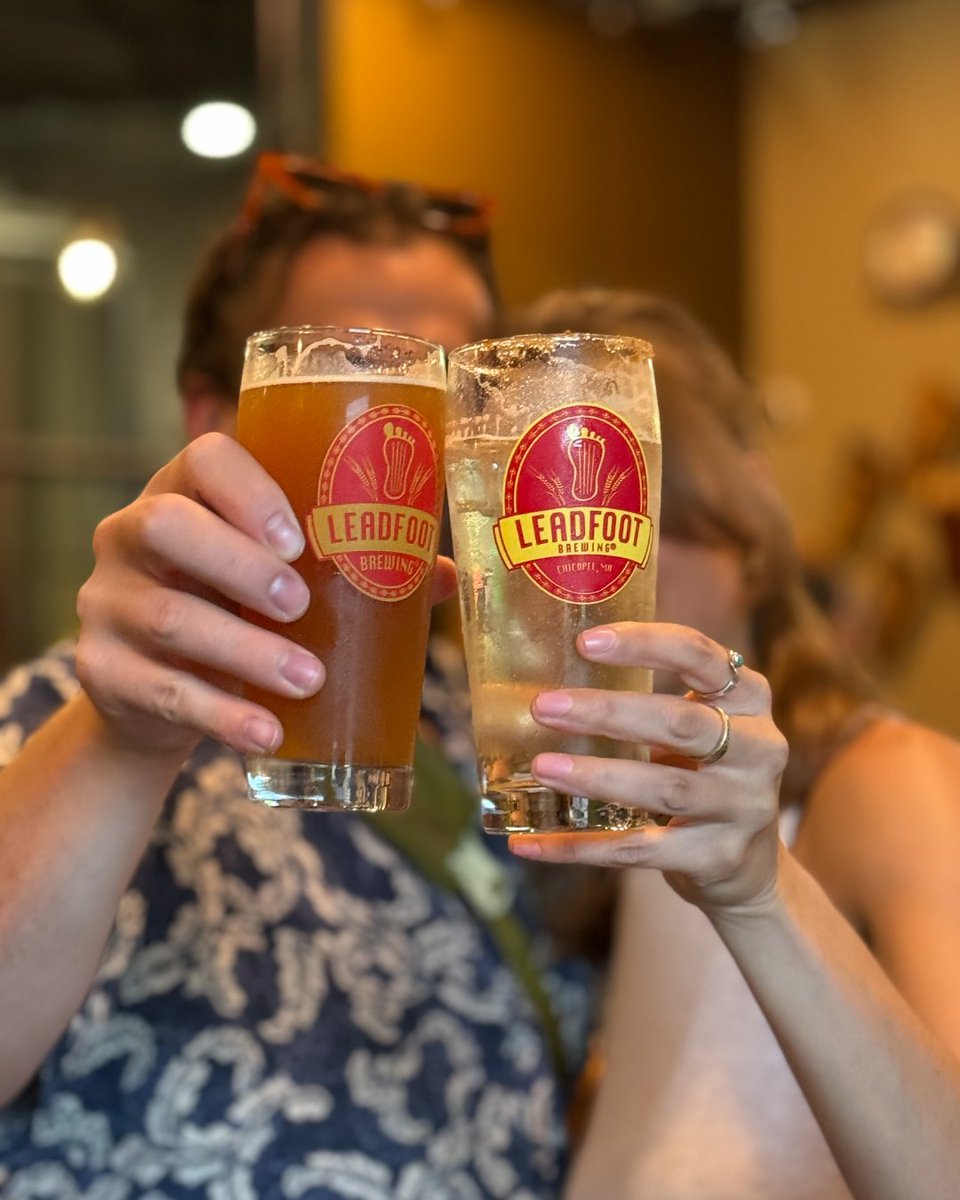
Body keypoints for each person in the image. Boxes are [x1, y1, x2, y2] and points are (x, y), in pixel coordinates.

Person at [0, 156, 593, 1199]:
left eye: (448, 384)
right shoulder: (66, 714)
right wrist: (117, 743)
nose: (410, 429)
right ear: (210, 418)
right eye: (354, 359)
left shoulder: (495, 717)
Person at [505, 289, 960, 1200]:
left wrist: (763, 897)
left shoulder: (885, 780)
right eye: (539, 529)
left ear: (749, 518)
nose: (579, 573)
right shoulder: (633, 812)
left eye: (623, 514)